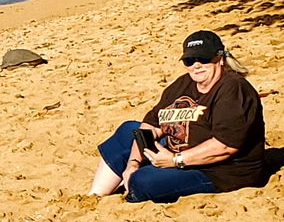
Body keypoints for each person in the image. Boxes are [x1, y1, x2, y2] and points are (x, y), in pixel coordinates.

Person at [87, 30, 266, 203]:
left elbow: (225, 146)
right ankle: (94, 197)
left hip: (219, 171)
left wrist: (175, 160)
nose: (196, 65)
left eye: (203, 59)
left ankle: (131, 187)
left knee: (142, 181)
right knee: (128, 130)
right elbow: (151, 124)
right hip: (180, 152)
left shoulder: (233, 89)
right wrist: (133, 163)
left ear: (219, 58)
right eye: (189, 60)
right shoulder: (183, 84)